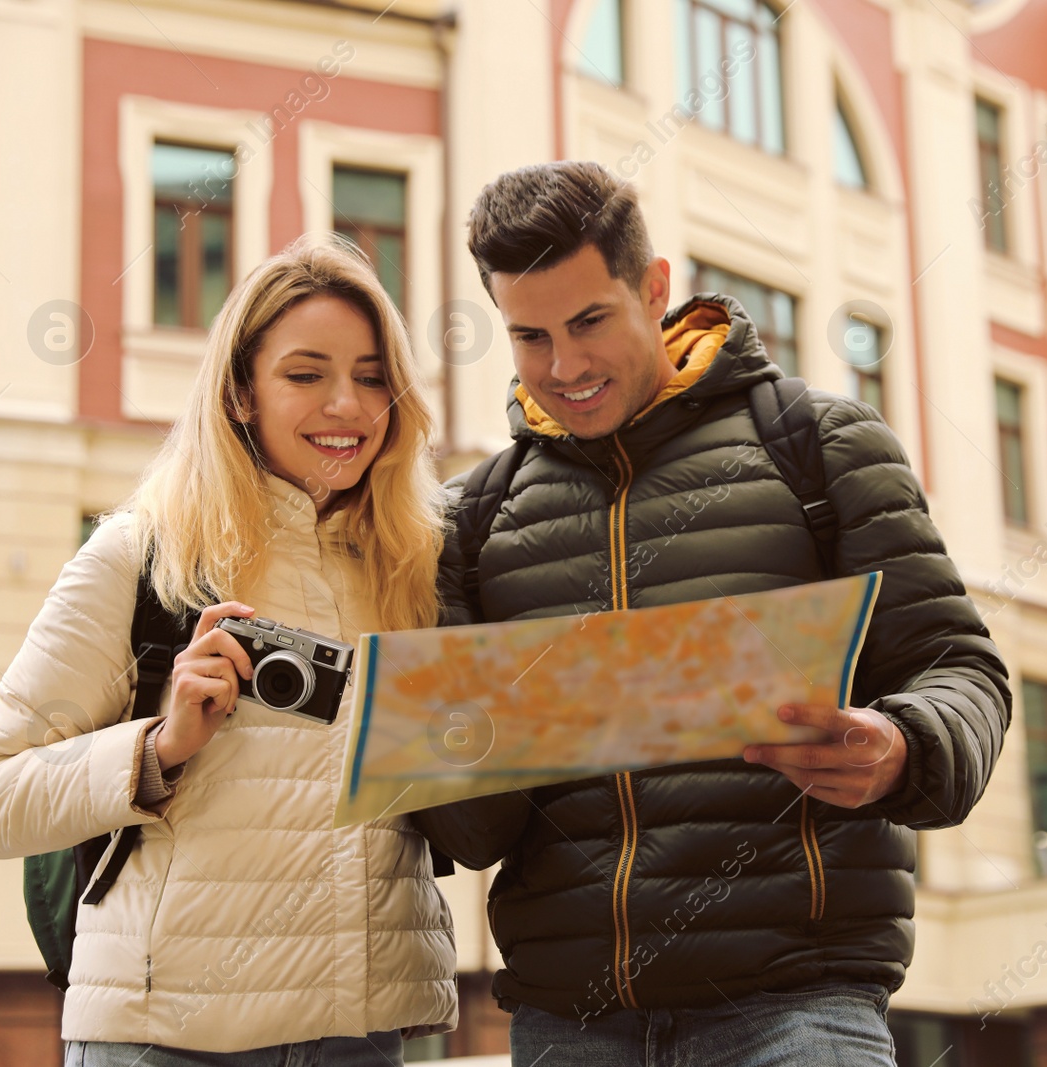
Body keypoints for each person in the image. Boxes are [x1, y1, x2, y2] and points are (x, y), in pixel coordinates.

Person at [413, 161, 1012, 1065]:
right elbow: (475, 826)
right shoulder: (477, 518)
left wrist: (905, 744)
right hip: (569, 1024)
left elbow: (962, 668)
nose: (565, 366)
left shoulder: (818, 447)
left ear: (654, 289)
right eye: (529, 336)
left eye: (589, 322)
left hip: (797, 1010)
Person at [0, 236, 456, 1065]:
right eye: (305, 374)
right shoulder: (142, 553)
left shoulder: (414, 570)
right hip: (168, 1042)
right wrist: (157, 746)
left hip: (356, 1039)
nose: (349, 405)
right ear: (241, 394)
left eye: (372, 377)